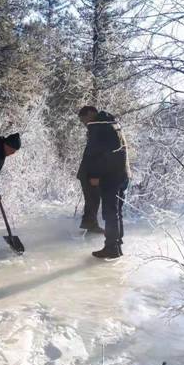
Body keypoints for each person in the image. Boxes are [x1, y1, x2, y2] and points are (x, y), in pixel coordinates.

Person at [77, 106, 130, 259]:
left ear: (91, 113)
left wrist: (95, 174)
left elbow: (96, 153)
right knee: (116, 212)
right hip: (121, 174)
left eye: (84, 119)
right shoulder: (113, 123)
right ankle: (116, 245)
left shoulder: (98, 126)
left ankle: (111, 248)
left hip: (109, 176)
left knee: (110, 213)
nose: (84, 123)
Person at [77, 127, 104, 234]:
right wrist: (94, 176)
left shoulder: (94, 142)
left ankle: (90, 224)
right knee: (93, 200)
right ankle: (91, 226)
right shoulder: (95, 143)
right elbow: (92, 160)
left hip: (87, 175)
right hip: (89, 176)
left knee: (92, 200)